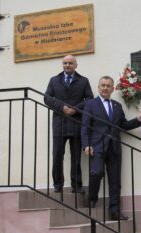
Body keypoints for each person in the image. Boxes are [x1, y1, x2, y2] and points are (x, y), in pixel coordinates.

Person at [81, 75, 141, 220]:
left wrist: (138, 120)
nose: (105, 88)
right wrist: (86, 145)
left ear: (112, 89)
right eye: (102, 85)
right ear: (98, 87)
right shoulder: (90, 104)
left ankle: (114, 210)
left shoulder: (117, 106)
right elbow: (85, 127)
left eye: (108, 86)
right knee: (96, 172)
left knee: (115, 181)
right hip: (96, 146)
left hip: (114, 147)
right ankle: (92, 198)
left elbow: (123, 125)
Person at [44, 55, 93, 193]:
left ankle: (76, 186)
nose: (67, 65)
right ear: (62, 65)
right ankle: (58, 185)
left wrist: (75, 109)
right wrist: (61, 107)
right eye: (65, 63)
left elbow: (89, 99)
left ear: (76, 65)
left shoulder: (83, 81)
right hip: (59, 124)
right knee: (57, 156)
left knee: (76, 157)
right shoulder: (54, 80)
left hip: (76, 123)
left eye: (70, 63)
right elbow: (47, 98)